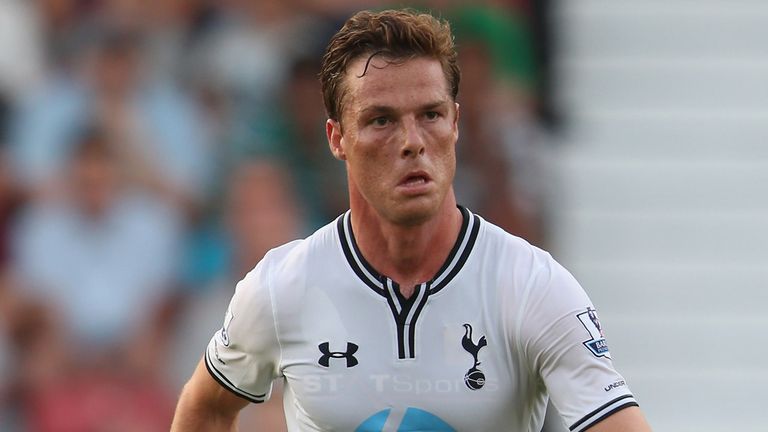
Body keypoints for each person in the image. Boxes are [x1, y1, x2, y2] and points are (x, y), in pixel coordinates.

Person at [171, 9, 652, 432]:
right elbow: (206, 409)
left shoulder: (532, 286)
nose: (412, 141)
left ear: (456, 123)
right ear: (337, 138)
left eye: (431, 115)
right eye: (381, 119)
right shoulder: (282, 287)